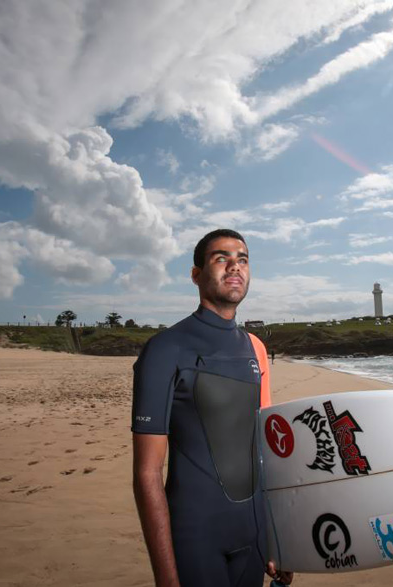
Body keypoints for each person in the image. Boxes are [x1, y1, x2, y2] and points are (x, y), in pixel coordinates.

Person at [131, 229, 293, 587]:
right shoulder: (165, 350)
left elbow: (264, 450)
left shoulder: (256, 348)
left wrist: (282, 538)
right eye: (221, 258)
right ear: (196, 274)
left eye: (243, 259)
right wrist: (166, 578)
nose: (234, 266)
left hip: (254, 535)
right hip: (196, 539)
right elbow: (147, 474)